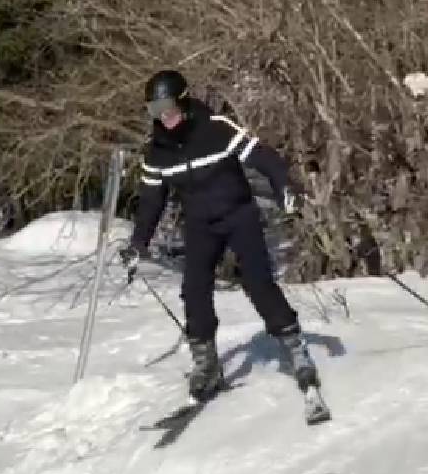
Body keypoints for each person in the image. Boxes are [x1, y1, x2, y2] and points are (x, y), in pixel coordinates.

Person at [119, 70, 330, 424]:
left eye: (168, 106)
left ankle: (295, 349)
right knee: (194, 289)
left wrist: (285, 188)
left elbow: (263, 157)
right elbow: (151, 203)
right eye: (155, 109)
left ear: (183, 101)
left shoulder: (216, 129)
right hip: (200, 224)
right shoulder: (156, 152)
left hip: (238, 214)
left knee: (258, 282)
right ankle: (207, 364)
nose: (163, 116)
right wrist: (138, 244)